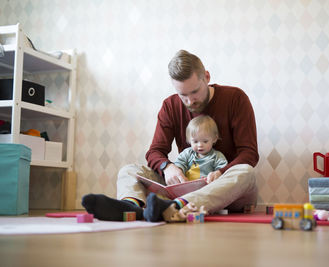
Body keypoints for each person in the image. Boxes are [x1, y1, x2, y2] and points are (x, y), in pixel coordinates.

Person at [82, 49, 259, 222]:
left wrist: (221, 172)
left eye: (195, 91)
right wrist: (168, 167)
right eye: (183, 95)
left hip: (227, 189)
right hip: (186, 185)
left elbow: (249, 154)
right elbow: (155, 152)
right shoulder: (170, 105)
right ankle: (131, 206)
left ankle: (175, 206)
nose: (190, 101)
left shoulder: (236, 98)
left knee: (246, 172)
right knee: (128, 170)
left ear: (207, 77)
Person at [174, 115, 227, 183]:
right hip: (187, 185)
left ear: (214, 139)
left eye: (205, 141)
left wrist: (215, 175)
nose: (200, 145)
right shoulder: (187, 153)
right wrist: (179, 172)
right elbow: (179, 163)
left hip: (208, 185)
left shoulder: (217, 156)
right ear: (189, 140)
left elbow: (222, 170)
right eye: (195, 141)